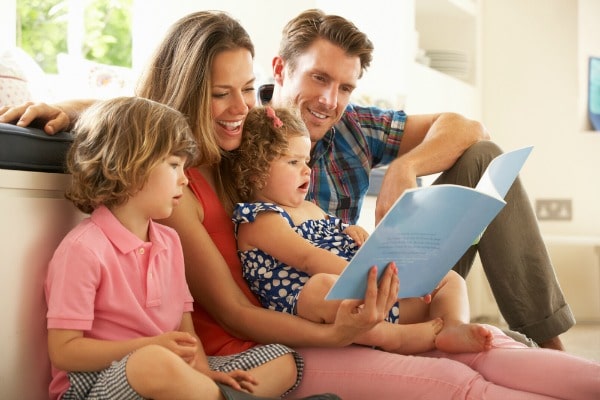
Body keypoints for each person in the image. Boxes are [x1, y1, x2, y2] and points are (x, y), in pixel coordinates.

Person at [4, 10, 600, 400]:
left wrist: (406, 177)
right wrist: (78, 107)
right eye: (221, 94)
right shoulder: (180, 186)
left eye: (245, 90)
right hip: (291, 332)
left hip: (334, 309)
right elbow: (144, 116)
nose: (240, 106)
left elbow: (463, 127)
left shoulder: (253, 135)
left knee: (489, 346)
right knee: (458, 381)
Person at [256, 9, 575, 352]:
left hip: (380, 280)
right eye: (319, 78)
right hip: (315, 301)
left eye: (345, 87)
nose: (330, 101)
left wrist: (405, 167)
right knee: (503, 345)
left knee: (485, 156)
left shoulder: (353, 126)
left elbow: (469, 128)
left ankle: (547, 343)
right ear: (280, 69)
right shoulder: (244, 137)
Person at [44, 96, 337, 400]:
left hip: (170, 376)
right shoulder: (83, 250)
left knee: (282, 360)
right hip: (95, 384)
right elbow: (65, 352)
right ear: (129, 166)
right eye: (173, 165)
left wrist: (204, 373)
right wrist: (148, 347)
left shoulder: (169, 241)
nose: (184, 179)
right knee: (153, 363)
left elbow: (186, 334)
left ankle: (212, 394)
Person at [231, 105, 495, 355]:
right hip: (325, 307)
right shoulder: (259, 219)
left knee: (449, 279)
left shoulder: (311, 207)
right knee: (320, 286)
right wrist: (375, 282)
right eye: (293, 162)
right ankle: (392, 336)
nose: (307, 170)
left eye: (307, 160)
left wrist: (355, 232)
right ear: (256, 173)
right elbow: (309, 260)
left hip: (370, 294)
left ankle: (452, 326)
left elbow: (341, 232)